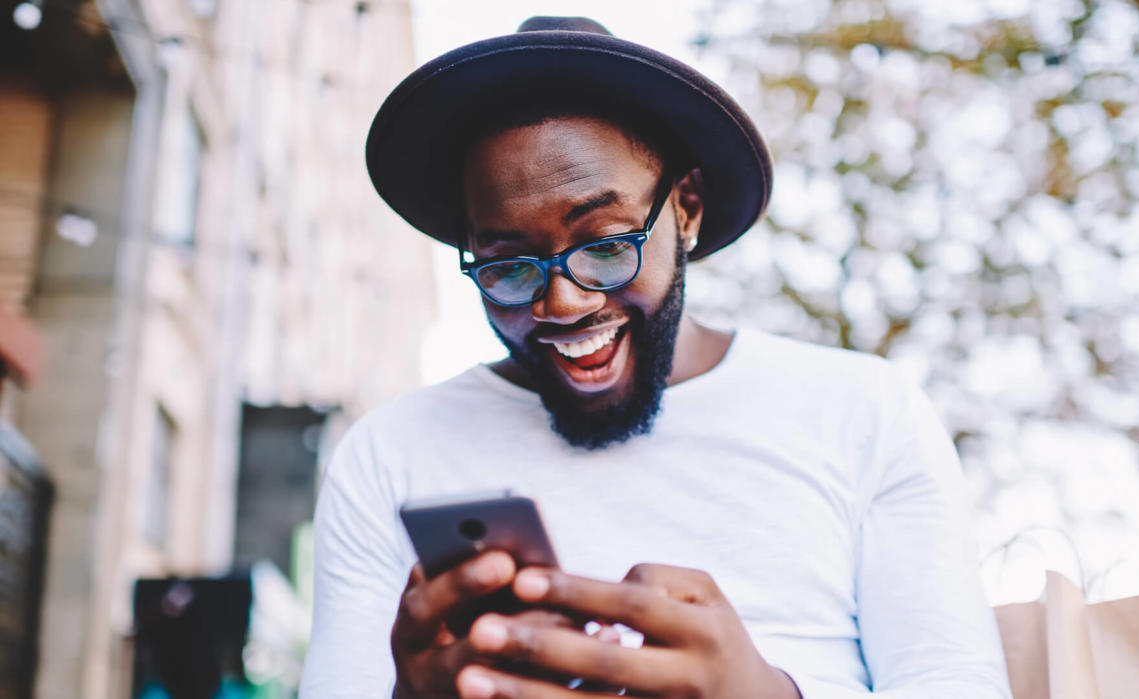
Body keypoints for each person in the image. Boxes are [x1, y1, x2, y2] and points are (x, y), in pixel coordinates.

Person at [301, 16, 1012, 699]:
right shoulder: (388, 454)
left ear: (688, 208)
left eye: (606, 244)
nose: (563, 304)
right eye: (509, 265)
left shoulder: (865, 412)